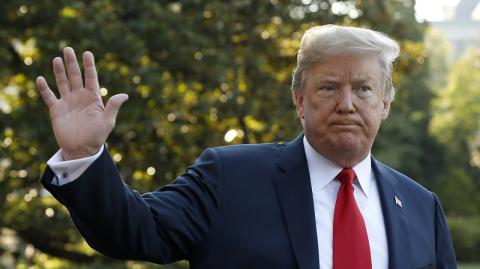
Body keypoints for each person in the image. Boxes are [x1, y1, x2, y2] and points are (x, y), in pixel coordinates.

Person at [36, 25, 457, 269]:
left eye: (363, 88)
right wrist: (83, 156)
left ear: (384, 104)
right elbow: (135, 231)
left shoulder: (421, 207)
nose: (346, 103)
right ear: (300, 101)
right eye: (328, 87)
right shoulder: (229, 177)